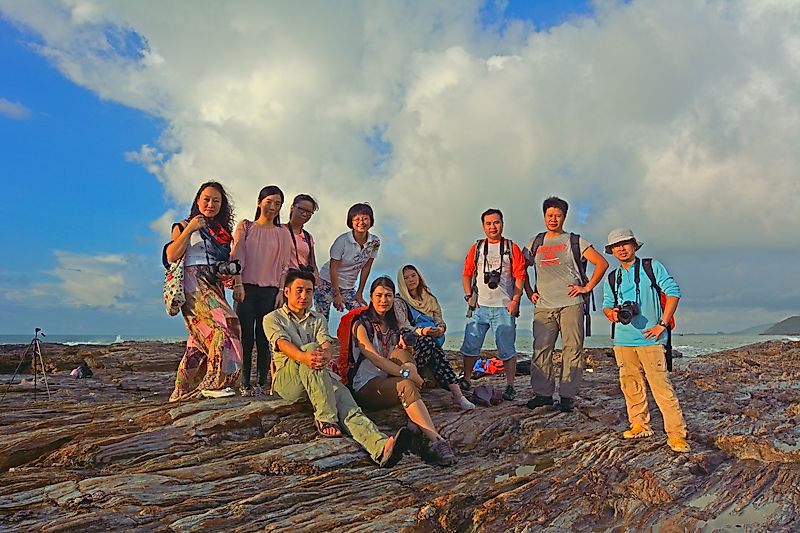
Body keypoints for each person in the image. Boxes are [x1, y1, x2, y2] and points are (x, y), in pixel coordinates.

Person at [263, 269, 412, 467]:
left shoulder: (318, 319)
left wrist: (325, 353)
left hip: (319, 377)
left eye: (309, 291)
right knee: (311, 349)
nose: (304, 295)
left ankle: (380, 447)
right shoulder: (273, 318)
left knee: (350, 407)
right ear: (287, 292)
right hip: (289, 381)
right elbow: (282, 343)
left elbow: (326, 343)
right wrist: (305, 356)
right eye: (299, 290)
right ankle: (326, 418)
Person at [350, 277, 457, 466]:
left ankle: (415, 422)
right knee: (406, 383)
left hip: (388, 380)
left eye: (388, 296)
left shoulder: (394, 325)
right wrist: (407, 374)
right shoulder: (361, 325)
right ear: (371, 297)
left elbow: (406, 348)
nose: (384, 300)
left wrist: (407, 349)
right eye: (379, 295)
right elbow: (377, 359)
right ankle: (436, 440)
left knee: (403, 354)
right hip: (367, 387)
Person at [601, 228, 690, 453]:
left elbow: (673, 292)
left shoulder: (651, 267)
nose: (621, 249)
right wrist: (611, 313)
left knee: (661, 387)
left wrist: (662, 324)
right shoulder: (612, 277)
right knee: (630, 385)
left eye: (625, 243)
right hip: (623, 340)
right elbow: (606, 304)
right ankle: (640, 424)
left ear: (634, 245)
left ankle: (676, 434)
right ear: (611, 251)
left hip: (652, 338)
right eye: (616, 246)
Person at [523, 196, 608, 412]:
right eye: (549, 215)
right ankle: (543, 394)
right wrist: (529, 292)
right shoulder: (535, 242)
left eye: (558, 215)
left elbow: (602, 263)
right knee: (541, 349)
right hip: (544, 306)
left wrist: (586, 288)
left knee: (572, 349)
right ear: (544, 216)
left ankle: (567, 396)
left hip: (571, 304)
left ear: (564, 217)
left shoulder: (575, 241)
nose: (553, 219)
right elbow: (520, 269)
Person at [164, 181, 243, 401]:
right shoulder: (182, 225)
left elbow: (224, 262)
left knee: (199, 340)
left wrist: (229, 277)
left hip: (214, 283)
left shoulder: (222, 233)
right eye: (206, 199)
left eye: (216, 201)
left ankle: (181, 391)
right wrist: (190, 229)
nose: (210, 204)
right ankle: (216, 383)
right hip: (194, 284)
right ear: (198, 200)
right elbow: (172, 255)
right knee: (228, 323)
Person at [230, 185, 293, 396]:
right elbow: (236, 256)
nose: (273, 207)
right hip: (246, 289)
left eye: (278, 204)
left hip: (270, 291)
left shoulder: (282, 232)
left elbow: (284, 265)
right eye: (269, 202)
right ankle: (244, 382)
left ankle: (261, 383)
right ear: (259, 202)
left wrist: (281, 291)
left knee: (265, 338)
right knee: (245, 338)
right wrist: (237, 283)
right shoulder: (246, 226)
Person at [460, 208, 526, 401]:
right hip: (480, 306)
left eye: (496, 222)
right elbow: (466, 273)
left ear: (502, 223)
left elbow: (520, 275)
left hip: (504, 307)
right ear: (483, 226)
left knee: (507, 349)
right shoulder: (477, 248)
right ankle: (466, 379)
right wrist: (469, 296)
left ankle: (510, 386)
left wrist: (515, 301)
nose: (493, 227)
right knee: (470, 345)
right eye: (488, 223)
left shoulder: (511, 248)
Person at [396, 265, 474, 410]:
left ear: (419, 276)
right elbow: (403, 325)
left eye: (413, 275)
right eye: (406, 278)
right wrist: (422, 331)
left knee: (433, 347)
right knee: (429, 343)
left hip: (431, 340)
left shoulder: (429, 298)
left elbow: (438, 319)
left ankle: (458, 396)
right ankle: (456, 395)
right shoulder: (399, 301)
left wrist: (441, 328)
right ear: (401, 281)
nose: (411, 280)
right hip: (412, 344)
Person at [314, 203, 379, 320]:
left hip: (348, 286)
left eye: (365, 218)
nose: (361, 222)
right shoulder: (342, 240)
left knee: (363, 314)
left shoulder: (374, 242)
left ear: (371, 220)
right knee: (322, 319)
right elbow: (333, 268)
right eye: (357, 219)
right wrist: (336, 294)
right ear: (351, 222)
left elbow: (366, 267)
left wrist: (359, 293)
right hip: (326, 282)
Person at [285, 194, 319, 278]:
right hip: (282, 278)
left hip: (302, 280)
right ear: (292, 207)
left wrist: (315, 277)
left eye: (309, 212)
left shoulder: (308, 237)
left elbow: (313, 263)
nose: (304, 214)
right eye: (301, 209)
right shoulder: (279, 230)